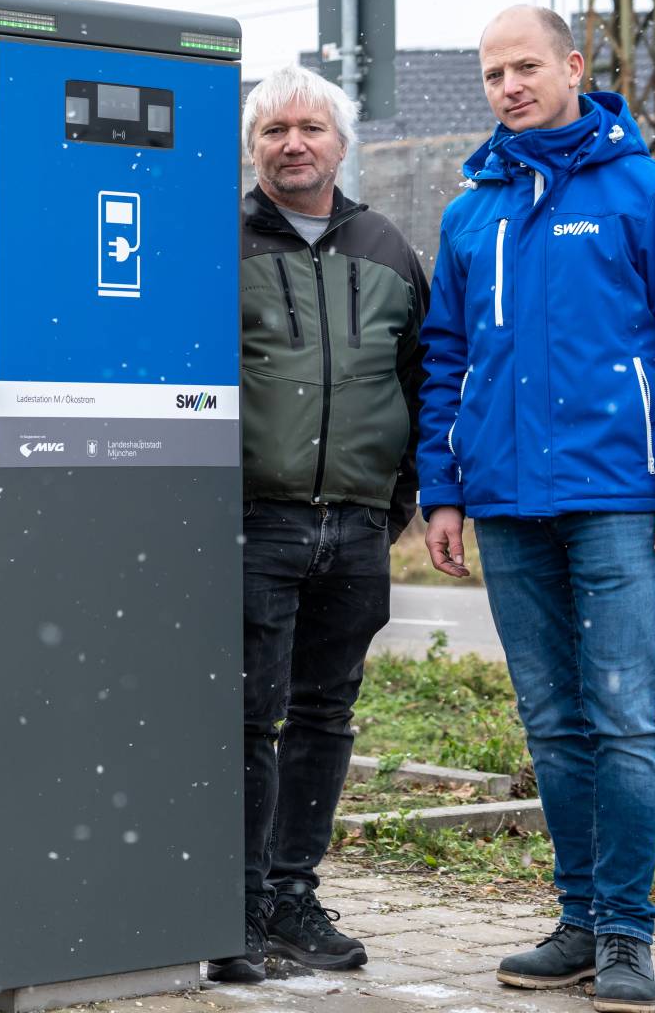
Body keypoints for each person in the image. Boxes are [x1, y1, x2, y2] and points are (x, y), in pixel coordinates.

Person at [415, 6, 655, 1013]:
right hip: (507, 502)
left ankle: (629, 931)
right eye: (492, 74)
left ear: (572, 65)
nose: (509, 87)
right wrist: (443, 487)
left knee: (626, 720)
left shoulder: (648, 192)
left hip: (618, 500)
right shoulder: (473, 213)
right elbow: (444, 359)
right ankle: (579, 920)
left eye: (525, 67)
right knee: (554, 725)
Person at [207, 65, 428, 984]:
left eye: (311, 128)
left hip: (357, 525)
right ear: (253, 147)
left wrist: (394, 497)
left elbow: (423, 379)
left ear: (342, 143)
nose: (294, 143)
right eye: (274, 131)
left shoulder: (386, 248)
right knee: (244, 718)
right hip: (253, 520)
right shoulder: (215, 244)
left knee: (327, 717)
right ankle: (235, 909)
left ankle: (293, 898)